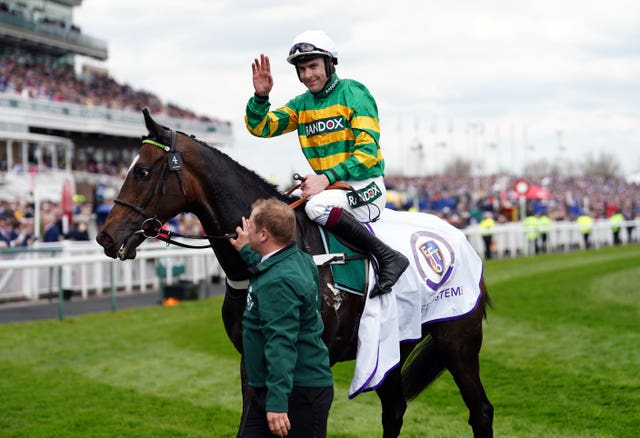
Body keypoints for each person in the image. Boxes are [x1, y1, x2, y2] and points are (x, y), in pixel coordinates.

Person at [245, 29, 408, 298]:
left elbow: (367, 153)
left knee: (317, 206)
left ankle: (388, 257)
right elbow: (260, 127)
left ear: (330, 64)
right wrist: (261, 97)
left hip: (366, 186)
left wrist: (327, 178)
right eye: (301, 69)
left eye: (313, 66)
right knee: (280, 207)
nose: (307, 75)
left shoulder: (354, 93)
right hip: (331, 187)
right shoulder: (301, 105)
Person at [229, 198, 333, 438]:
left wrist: (277, 403)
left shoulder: (279, 282)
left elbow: (281, 343)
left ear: (263, 234)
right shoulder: (298, 259)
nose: (246, 229)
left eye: (251, 225)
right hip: (275, 388)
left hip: (296, 394)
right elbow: (271, 264)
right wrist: (247, 250)